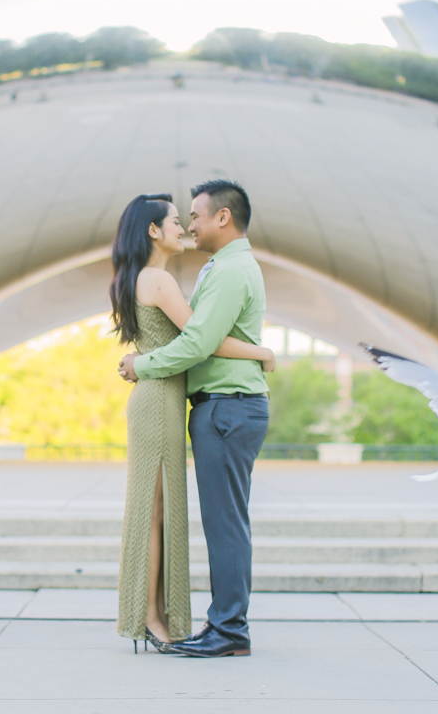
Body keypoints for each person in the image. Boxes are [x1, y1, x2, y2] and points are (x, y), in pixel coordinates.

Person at [111, 193, 274, 654]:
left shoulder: (150, 277)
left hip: (164, 397)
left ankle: (158, 616)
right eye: (176, 221)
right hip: (160, 397)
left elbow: (197, 338)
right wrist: (261, 351)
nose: (185, 226)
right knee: (155, 511)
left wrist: (142, 364)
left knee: (156, 510)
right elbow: (201, 340)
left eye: (190, 218)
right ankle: (154, 617)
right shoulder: (159, 280)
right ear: (152, 231)